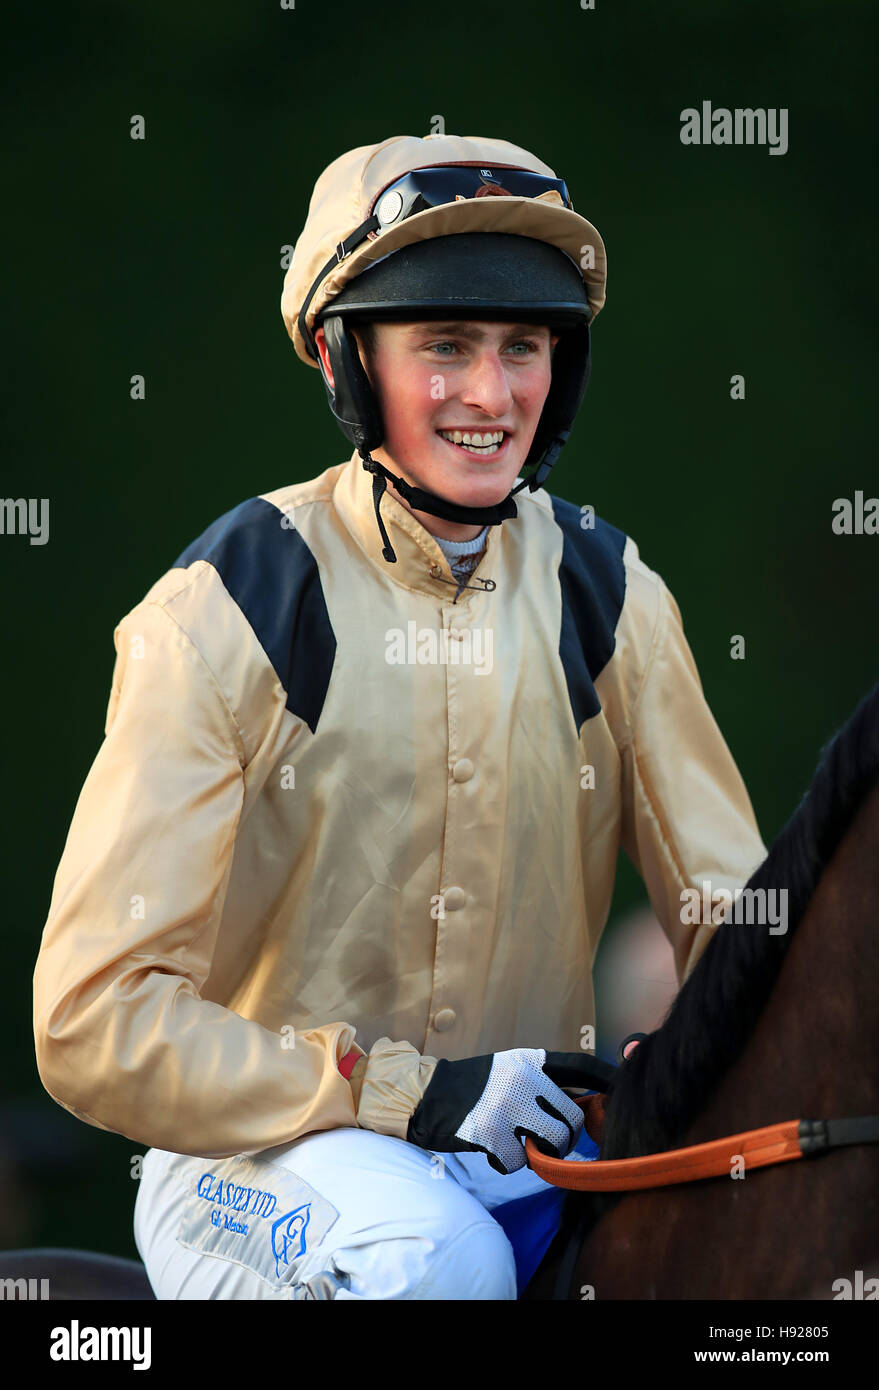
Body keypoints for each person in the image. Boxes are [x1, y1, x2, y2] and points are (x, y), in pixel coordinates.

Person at [32, 133, 767, 1300]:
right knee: (437, 1258)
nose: (492, 394)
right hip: (249, 1164)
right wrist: (396, 1090)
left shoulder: (615, 594)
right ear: (344, 357)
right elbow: (89, 1020)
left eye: (521, 346)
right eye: (445, 347)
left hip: (529, 1152)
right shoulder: (225, 609)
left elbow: (742, 931)